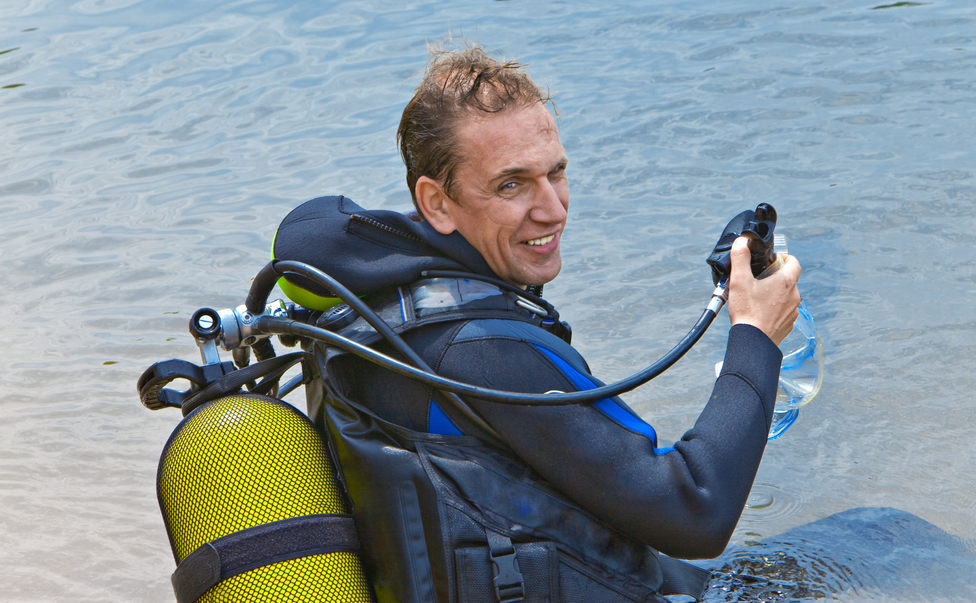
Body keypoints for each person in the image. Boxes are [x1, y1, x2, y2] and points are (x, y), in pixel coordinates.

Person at [272, 44, 802, 603]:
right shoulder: (478, 352)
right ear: (436, 203)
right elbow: (696, 510)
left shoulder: (372, 310)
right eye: (511, 185)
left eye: (557, 172)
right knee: (885, 533)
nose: (553, 209)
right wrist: (755, 336)